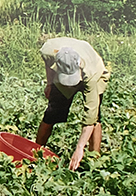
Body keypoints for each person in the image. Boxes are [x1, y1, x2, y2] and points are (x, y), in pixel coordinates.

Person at [36, 38, 110, 170]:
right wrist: (49, 84)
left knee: (95, 117)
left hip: (93, 73)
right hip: (61, 75)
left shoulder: (91, 73)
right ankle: (36, 152)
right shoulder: (48, 51)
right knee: (53, 111)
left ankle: (94, 160)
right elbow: (48, 64)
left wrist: (79, 148)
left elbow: (90, 116)